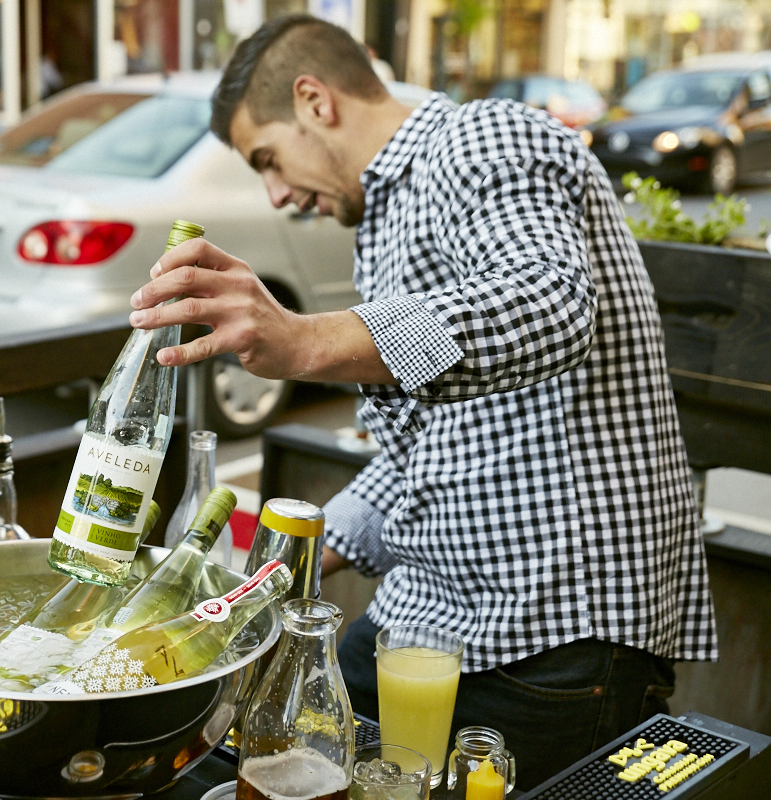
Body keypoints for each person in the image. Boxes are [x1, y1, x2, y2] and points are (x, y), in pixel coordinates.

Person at [128, 15, 716, 791]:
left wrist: (304, 340)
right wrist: (252, 583)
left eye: (267, 159)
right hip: (429, 616)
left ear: (314, 101)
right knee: (266, 736)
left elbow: (548, 303)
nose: (276, 194)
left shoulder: (485, 138)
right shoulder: (386, 218)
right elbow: (422, 464)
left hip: (551, 628)